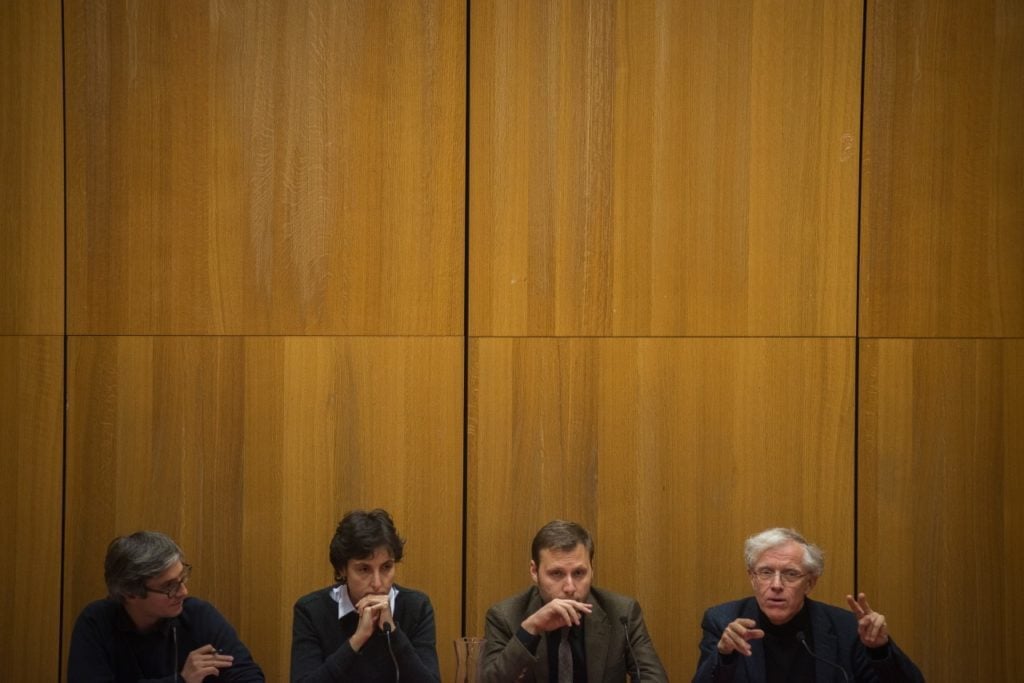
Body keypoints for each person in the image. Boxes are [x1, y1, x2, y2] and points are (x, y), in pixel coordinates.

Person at [692, 527, 925, 682]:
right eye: (765, 572)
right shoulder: (722, 621)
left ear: (810, 583)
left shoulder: (846, 629)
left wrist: (879, 650)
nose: (776, 585)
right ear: (752, 578)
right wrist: (724, 656)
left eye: (790, 574)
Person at [482, 519, 668, 682]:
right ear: (534, 571)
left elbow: (653, 677)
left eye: (579, 573)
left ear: (591, 569)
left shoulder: (622, 613)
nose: (570, 587)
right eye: (557, 573)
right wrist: (530, 630)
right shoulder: (505, 616)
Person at [67, 530, 264, 682]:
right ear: (130, 592)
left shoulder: (197, 615)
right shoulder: (96, 622)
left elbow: (248, 676)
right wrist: (181, 680)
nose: (183, 592)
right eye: (169, 586)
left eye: (182, 578)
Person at [291, 508, 441, 682]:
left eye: (386, 567)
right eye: (364, 569)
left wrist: (392, 631)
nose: (377, 583)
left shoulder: (417, 607)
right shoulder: (311, 611)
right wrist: (357, 639)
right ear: (342, 569)